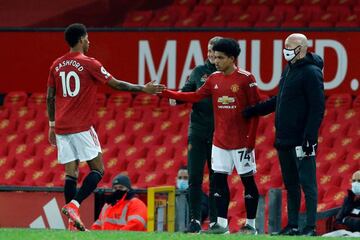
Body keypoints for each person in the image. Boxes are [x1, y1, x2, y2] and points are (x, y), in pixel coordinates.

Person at [46, 23, 164, 231]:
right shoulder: (89, 63)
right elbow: (116, 84)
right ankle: (73, 205)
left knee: (71, 173)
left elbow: (49, 97)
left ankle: (71, 225)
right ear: (82, 39)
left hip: (62, 126)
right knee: (98, 170)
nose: (89, 41)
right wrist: (143, 89)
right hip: (80, 125)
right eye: (88, 38)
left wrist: (52, 125)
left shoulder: (56, 64)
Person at [162, 38, 261, 235]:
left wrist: (251, 140)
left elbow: (256, 110)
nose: (215, 61)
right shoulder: (213, 78)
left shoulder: (246, 79)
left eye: (220, 57)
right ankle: (220, 224)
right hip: (220, 141)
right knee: (219, 181)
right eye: (214, 56)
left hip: (241, 142)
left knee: (247, 181)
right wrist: (165, 92)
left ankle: (251, 224)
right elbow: (195, 96)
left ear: (232, 59)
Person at [243, 33, 325, 236]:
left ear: (303, 48)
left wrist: (310, 137)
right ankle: (293, 225)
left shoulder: (311, 72)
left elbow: (317, 107)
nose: (286, 49)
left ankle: (310, 227)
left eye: (290, 46)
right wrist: (254, 110)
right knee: (291, 184)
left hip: (302, 139)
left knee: (308, 183)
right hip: (284, 138)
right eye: (285, 45)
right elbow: (278, 100)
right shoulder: (288, 70)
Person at [170, 36, 221, 233]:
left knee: (217, 177)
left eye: (214, 52)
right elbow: (186, 91)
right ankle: (195, 220)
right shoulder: (199, 72)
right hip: (198, 131)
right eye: (208, 51)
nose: (211, 56)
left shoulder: (227, 73)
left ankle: (217, 220)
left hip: (219, 134)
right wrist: (175, 97)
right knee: (195, 177)